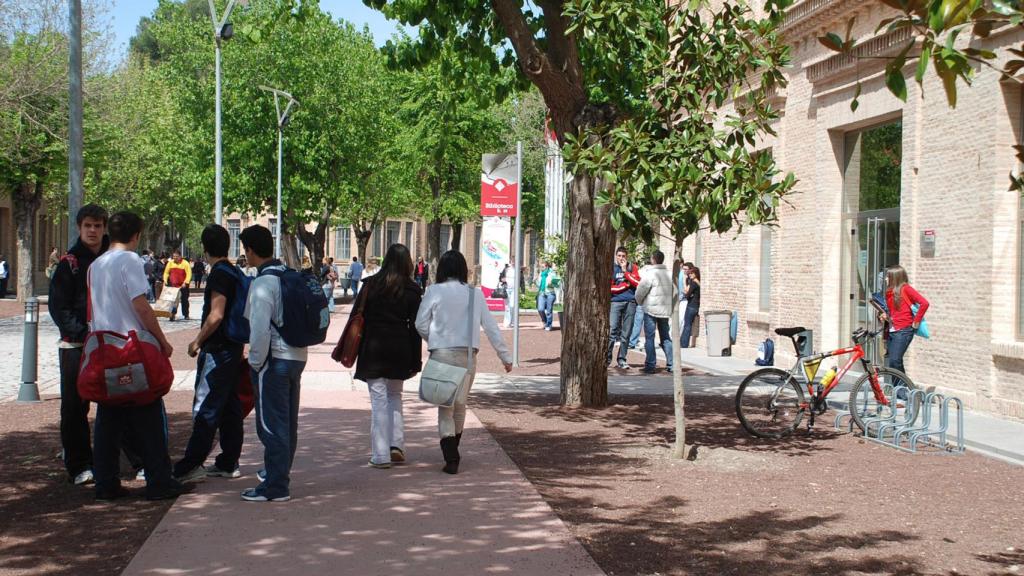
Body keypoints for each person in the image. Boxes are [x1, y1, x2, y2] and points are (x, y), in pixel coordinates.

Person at [88, 211, 187, 501]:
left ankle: (105, 483)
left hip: (104, 346)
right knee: (149, 415)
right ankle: (159, 480)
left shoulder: (96, 265)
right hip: (131, 347)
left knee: (108, 419)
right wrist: (161, 340)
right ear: (136, 235)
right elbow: (141, 306)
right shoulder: (130, 260)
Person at [416, 250, 512, 474]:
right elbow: (491, 327)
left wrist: (435, 339)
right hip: (468, 356)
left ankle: (451, 456)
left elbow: (420, 323)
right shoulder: (474, 294)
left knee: (445, 406)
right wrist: (505, 357)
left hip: (442, 354)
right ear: (462, 269)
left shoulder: (434, 291)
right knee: (460, 405)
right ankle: (453, 451)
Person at [172, 224, 246, 484]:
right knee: (229, 405)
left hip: (218, 348)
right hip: (233, 346)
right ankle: (228, 460)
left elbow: (216, 314)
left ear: (204, 248)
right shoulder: (235, 271)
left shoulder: (219, 274)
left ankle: (192, 463)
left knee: (206, 406)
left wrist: (196, 341)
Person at [241, 225, 308, 502]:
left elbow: (259, 331)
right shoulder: (289, 277)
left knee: (271, 425)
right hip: (297, 356)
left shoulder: (262, 284)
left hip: (273, 361)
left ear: (250, 251)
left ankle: (276, 486)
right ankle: (277, 474)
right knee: (287, 423)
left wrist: (255, 363)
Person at [48, 204, 109, 486]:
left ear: (105, 228)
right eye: (88, 226)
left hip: (110, 344)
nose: (93, 231)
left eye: (97, 225)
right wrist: (82, 334)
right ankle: (79, 464)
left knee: (120, 400)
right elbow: (59, 309)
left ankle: (130, 459)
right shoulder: (68, 264)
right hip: (76, 346)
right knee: (74, 408)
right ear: (79, 228)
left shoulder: (113, 259)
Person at [354, 244, 422, 469]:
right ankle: (396, 446)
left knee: (379, 400)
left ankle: (380, 454)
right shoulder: (412, 290)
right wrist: (416, 359)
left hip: (373, 346)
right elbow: (416, 327)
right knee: (395, 396)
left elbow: (357, 316)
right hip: (400, 346)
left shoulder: (370, 286)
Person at [878, 264, 929, 378]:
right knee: (894, 363)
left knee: (895, 360)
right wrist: (885, 316)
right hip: (892, 330)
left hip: (904, 331)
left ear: (895, 277)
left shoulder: (906, 289)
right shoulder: (889, 292)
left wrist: (916, 321)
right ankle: (902, 390)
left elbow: (924, 303)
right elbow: (894, 312)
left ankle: (902, 392)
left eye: (888, 276)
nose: (885, 279)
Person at [635, 250, 675, 374]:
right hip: (664, 310)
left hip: (651, 310)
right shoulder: (670, 274)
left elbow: (641, 291)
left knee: (650, 338)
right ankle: (672, 363)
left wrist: (639, 302)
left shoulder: (650, 274)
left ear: (653, 259)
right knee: (666, 337)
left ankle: (650, 364)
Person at [608, 247, 641, 369]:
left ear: (627, 256)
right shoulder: (611, 268)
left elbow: (637, 283)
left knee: (626, 333)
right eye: (619, 256)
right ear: (616, 256)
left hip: (630, 303)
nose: (621, 258)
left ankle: (622, 359)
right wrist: (626, 285)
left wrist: (625, 272)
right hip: (615, 303)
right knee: (612, 331)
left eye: (623, 256)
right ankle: (607, 359)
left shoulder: (632, 267)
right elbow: (610, 288)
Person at [163, 250, 192, 321]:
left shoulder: (185, 263)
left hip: (183, 286)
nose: (175, 258)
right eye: (173, 256)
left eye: (176, 256)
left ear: (180, 256)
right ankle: (172, 315)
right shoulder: (170, 263)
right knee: (173, 301)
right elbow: (166, 273)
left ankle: (186, 314)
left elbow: (189, 274)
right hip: (173, 286)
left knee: (184, 301)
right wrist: (165, 280)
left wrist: (186, 282)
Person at [680, 266, 701, 349]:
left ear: (696, 274)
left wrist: (685, 284)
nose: (690, 275)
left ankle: (684, 343)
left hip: (691, 306)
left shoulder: (693, 282)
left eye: (692, 273)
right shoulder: (698, 282)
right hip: (695, 306)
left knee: (687, 325)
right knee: (689, 325)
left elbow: (687, 293)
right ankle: (684, 342)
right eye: (689, 273)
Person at [536, 261, 560, 331]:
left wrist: (552, 283)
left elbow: (557, 284)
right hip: (542, 293)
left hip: (550, 293)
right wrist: (536, 281)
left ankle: (549, 325)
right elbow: (539, 285)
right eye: (541, 267)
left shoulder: (552, 273)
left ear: (547, 267)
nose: (541, 268)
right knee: (540, 309)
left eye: (543, 267)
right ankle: (545, 321)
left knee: (549, 311)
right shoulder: (541, 274)